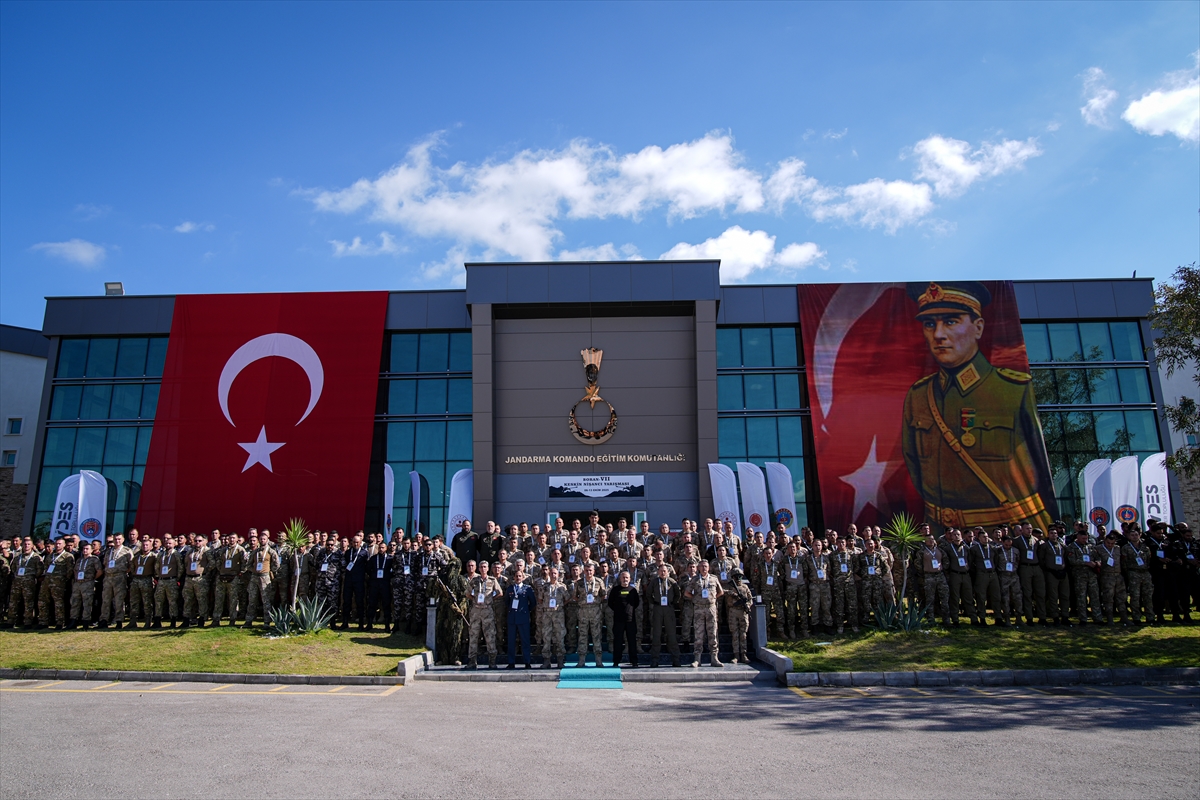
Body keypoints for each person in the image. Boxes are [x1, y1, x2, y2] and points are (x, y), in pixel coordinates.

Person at [901, 281, 1057, 534]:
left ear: (978, 328)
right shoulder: (919, 396)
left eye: (951, 321)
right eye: (930, 324)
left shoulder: (1014, 389)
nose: (938, 334)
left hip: (1006, 532)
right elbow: (915, 469)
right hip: (940, 534)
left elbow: (1042, 469)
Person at [465, 560, 501, 669]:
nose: (483, 569)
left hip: (487, 610)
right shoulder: (474, 580)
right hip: (476, 610)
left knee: (490, 636)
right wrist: (474, 600)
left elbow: (500, 592)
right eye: (481, 567)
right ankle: (472, 661)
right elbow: (467, 593)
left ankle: (492, 661)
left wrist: (490, 600)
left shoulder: (492, 580)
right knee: (473, 635)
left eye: (485, 567)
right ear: (478, 569)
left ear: (488, 568)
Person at [687, 561, 723, 668]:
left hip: (711, 608)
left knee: (713, 633)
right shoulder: (694, 579)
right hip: (699, 609)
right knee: (698, 634)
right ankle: (697, 659)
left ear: (709, 568)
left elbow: (720, 592)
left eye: (705, 566)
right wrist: (696, 599)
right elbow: (687, 592)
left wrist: (713, 598)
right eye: (702, 566)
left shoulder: (714, 578)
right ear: (698, 568)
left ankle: (714, 658)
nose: (704, 568)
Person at [645, 563, 681, 668]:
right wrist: (654, 602)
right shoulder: (654, 582)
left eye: (665, 571)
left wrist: (672, 603)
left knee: (671, 635)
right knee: (656, 635)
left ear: (668, 572)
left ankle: (676, 659)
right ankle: (655, 660)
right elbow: (648, 594)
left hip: (668, 609)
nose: (663, 572)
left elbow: (678, 594)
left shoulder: (672, 582)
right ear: (658, 572)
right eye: (661, 571)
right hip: (658, 608)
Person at [1066, 529, 1102, 625]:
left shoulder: (1090, 546)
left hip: (1092, 575)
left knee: (1095, 597)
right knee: (1081, 598)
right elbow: (1072, 561)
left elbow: (1097, 557)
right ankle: (1083, 619)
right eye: (1083, 538)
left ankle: (1097, 618)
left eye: (1086, 538)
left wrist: (1098, 562)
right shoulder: (1071, 547)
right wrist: (1086, 563)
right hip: (1080, 576)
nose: (1085, 540)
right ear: (1078, 537)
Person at [38, 538, 74, 629]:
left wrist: (64, 580)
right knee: (43, 601)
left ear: (64, 545)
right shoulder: (50, 556)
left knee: (58, 603)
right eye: (56, 544)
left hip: (59, 583)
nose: (58, 545)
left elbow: (70, 570)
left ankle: (60, 622)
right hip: (47, 582)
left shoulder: (67, 556)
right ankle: (43, 621)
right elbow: (46, 568)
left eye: (60, 544)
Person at [608, 569, 640, 668]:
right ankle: (616, 661)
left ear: (630, 579)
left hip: (630, 620)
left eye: (627, 577)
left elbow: (637, 603)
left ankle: (634, 661)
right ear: (620, 579)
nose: (625, 579)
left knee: (632, 641)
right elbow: (610, 603)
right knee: (617, 641)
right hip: (618, 620)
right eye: (623, 577)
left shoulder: (633, 590)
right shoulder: (615, 590)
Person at [505, 562, 534, 669]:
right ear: (514, 577)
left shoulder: (528, 589)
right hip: (512, 618)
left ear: (523, 577)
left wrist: (525, 611)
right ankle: (511, 662)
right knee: (511, 641)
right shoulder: (510, 589)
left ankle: (527, 661)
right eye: (516, 576)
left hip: (523, 618)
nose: (518, 578)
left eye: (520, 576)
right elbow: (507, 602)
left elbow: (533, 603)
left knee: (525, 640)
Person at [1123, 528, 1154, 625]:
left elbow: (1149, 559)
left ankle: (1150, 617)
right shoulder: (1126, 547)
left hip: (1145, 572)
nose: (1134, 537)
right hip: (1133, 573)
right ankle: (1136, 617)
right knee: (1135, 596)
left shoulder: (1145, 547)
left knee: (1148, 596)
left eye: (1136, 535)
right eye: (1132, 535)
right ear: (1129, 536)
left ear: (1139, 535)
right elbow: (1124, 562)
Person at [540, 567, 569, 669]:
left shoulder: (562, 587)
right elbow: (540, 599)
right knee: (546, 637)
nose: (553, 575)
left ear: (558, 575)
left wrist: (559, 606)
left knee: (560, 636)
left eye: (555, 573)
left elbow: (567, 599)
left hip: (558, 613)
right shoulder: (544, 586)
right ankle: (546, 660)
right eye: (551, 573)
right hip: (547, 614)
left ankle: (560, 660)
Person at [128, 538, 159, 629]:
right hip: (136, 579)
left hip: (147, 579)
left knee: (147, 602)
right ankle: (133, 621)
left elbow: (156, 569)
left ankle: (148, 621)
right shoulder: (137, 556)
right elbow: (132, 567)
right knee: (134, 601)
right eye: (143, 545)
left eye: (147, 545)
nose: (145, 547)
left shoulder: (154, 556)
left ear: (151, 546)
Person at [153, 535, 183, 628]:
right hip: (162, 581)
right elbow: (157, 567)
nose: (168, 545)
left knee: (172, 601)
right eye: (166, 543)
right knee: (158, 600)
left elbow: (180, 568)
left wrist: (176, 578)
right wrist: (159, 576)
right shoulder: (161, 554)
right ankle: (157, 620)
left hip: (172, 580)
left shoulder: (176, 554)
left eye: (170, 543)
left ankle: (173, 621)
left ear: (174, 544)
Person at [181, 536, 209, 628]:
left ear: (204, 541)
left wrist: (204, 571)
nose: (197, 542)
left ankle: (202, 619)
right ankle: (186, 619)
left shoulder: (207, 551)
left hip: (200, 579)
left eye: (200, 541)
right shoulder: (190, 551)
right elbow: (186, 563)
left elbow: (212, 563)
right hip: (189, 579)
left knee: (201, 600)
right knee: (187, 600)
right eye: (196, 540)